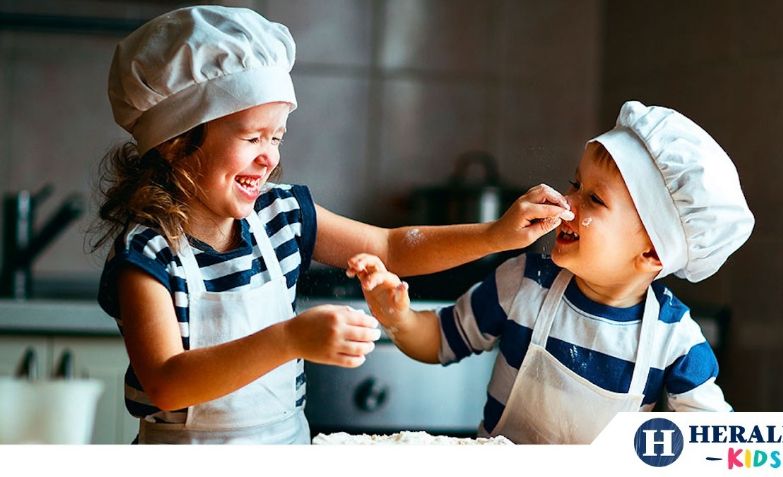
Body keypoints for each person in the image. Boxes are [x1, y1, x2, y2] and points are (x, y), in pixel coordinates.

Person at [91, 5, 572, 444]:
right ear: (177, 142)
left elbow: (393, 245)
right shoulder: (148, 254)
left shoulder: (282, 215)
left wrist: (497, 235)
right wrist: (290, 338)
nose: (269, 156)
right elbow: (167, 383)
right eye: (253, 136)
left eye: (276, 136)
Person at [348, 100, 755, 444]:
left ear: (652, 250)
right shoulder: (524, 282)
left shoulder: (675, 341)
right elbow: (439, 340)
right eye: (574, 185)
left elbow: (714, 442)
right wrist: (398, 318)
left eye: (593, 198)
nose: (567, 203)